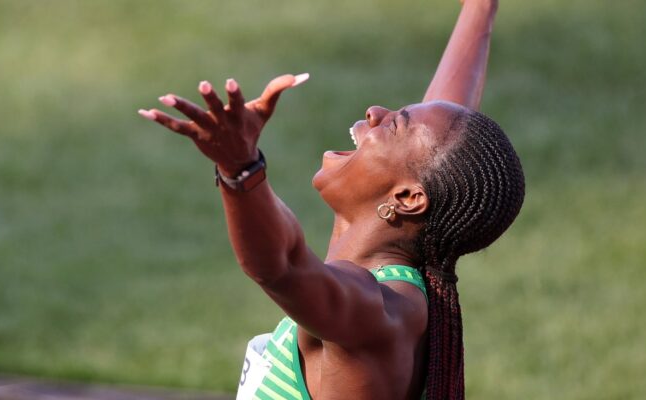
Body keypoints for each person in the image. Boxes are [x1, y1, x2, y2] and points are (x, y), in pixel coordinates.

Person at [138, 0, 521, 398]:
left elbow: (281, 266)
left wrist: (241, 169)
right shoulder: (410, 269)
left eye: (395, 125)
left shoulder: (374, 310)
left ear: (406, 197)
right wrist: (480, 7)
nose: (375, 111)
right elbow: (446, 140)